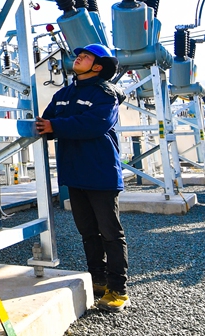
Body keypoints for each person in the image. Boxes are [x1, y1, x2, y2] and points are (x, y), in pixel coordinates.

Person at [36, 44, 129, 312]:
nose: (79, 57)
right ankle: (98, 279)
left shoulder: (106, 94)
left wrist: (56, 126)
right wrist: (46, 127)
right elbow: (48, 123)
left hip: (100, 172)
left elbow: (96, 123)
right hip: (74, 172)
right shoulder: (63, 94)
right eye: (80, 54)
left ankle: (118, 289)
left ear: (98, 67)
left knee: (110, 232)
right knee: (87, 231)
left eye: (86, 56)